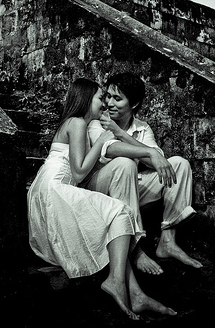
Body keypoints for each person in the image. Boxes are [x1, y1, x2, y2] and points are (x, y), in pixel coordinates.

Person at [28, 78, 177, 320]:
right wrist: (102, 140)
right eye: (101, 97)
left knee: (116, 216)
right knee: (118, 212)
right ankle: (118, 282)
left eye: (110, 98)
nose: (105, 102)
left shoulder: (80, 124)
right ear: (87, 99)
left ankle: (133, 291)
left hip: (59, 188)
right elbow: (78, 171)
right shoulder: (77, 123)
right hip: (56, 188)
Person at [83, 72, 203, 275]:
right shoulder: (97, 122)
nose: (109, 103)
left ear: (135, 104)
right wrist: (147, 152)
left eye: (117, 98)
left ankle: (167, 240)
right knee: (124, 163)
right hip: (100, 190)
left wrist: (123, 134)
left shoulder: (142, 128)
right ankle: (134, 248)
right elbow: (109, 149)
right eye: (108, 96)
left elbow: (157, 159)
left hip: (130, 187)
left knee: (179, 164)